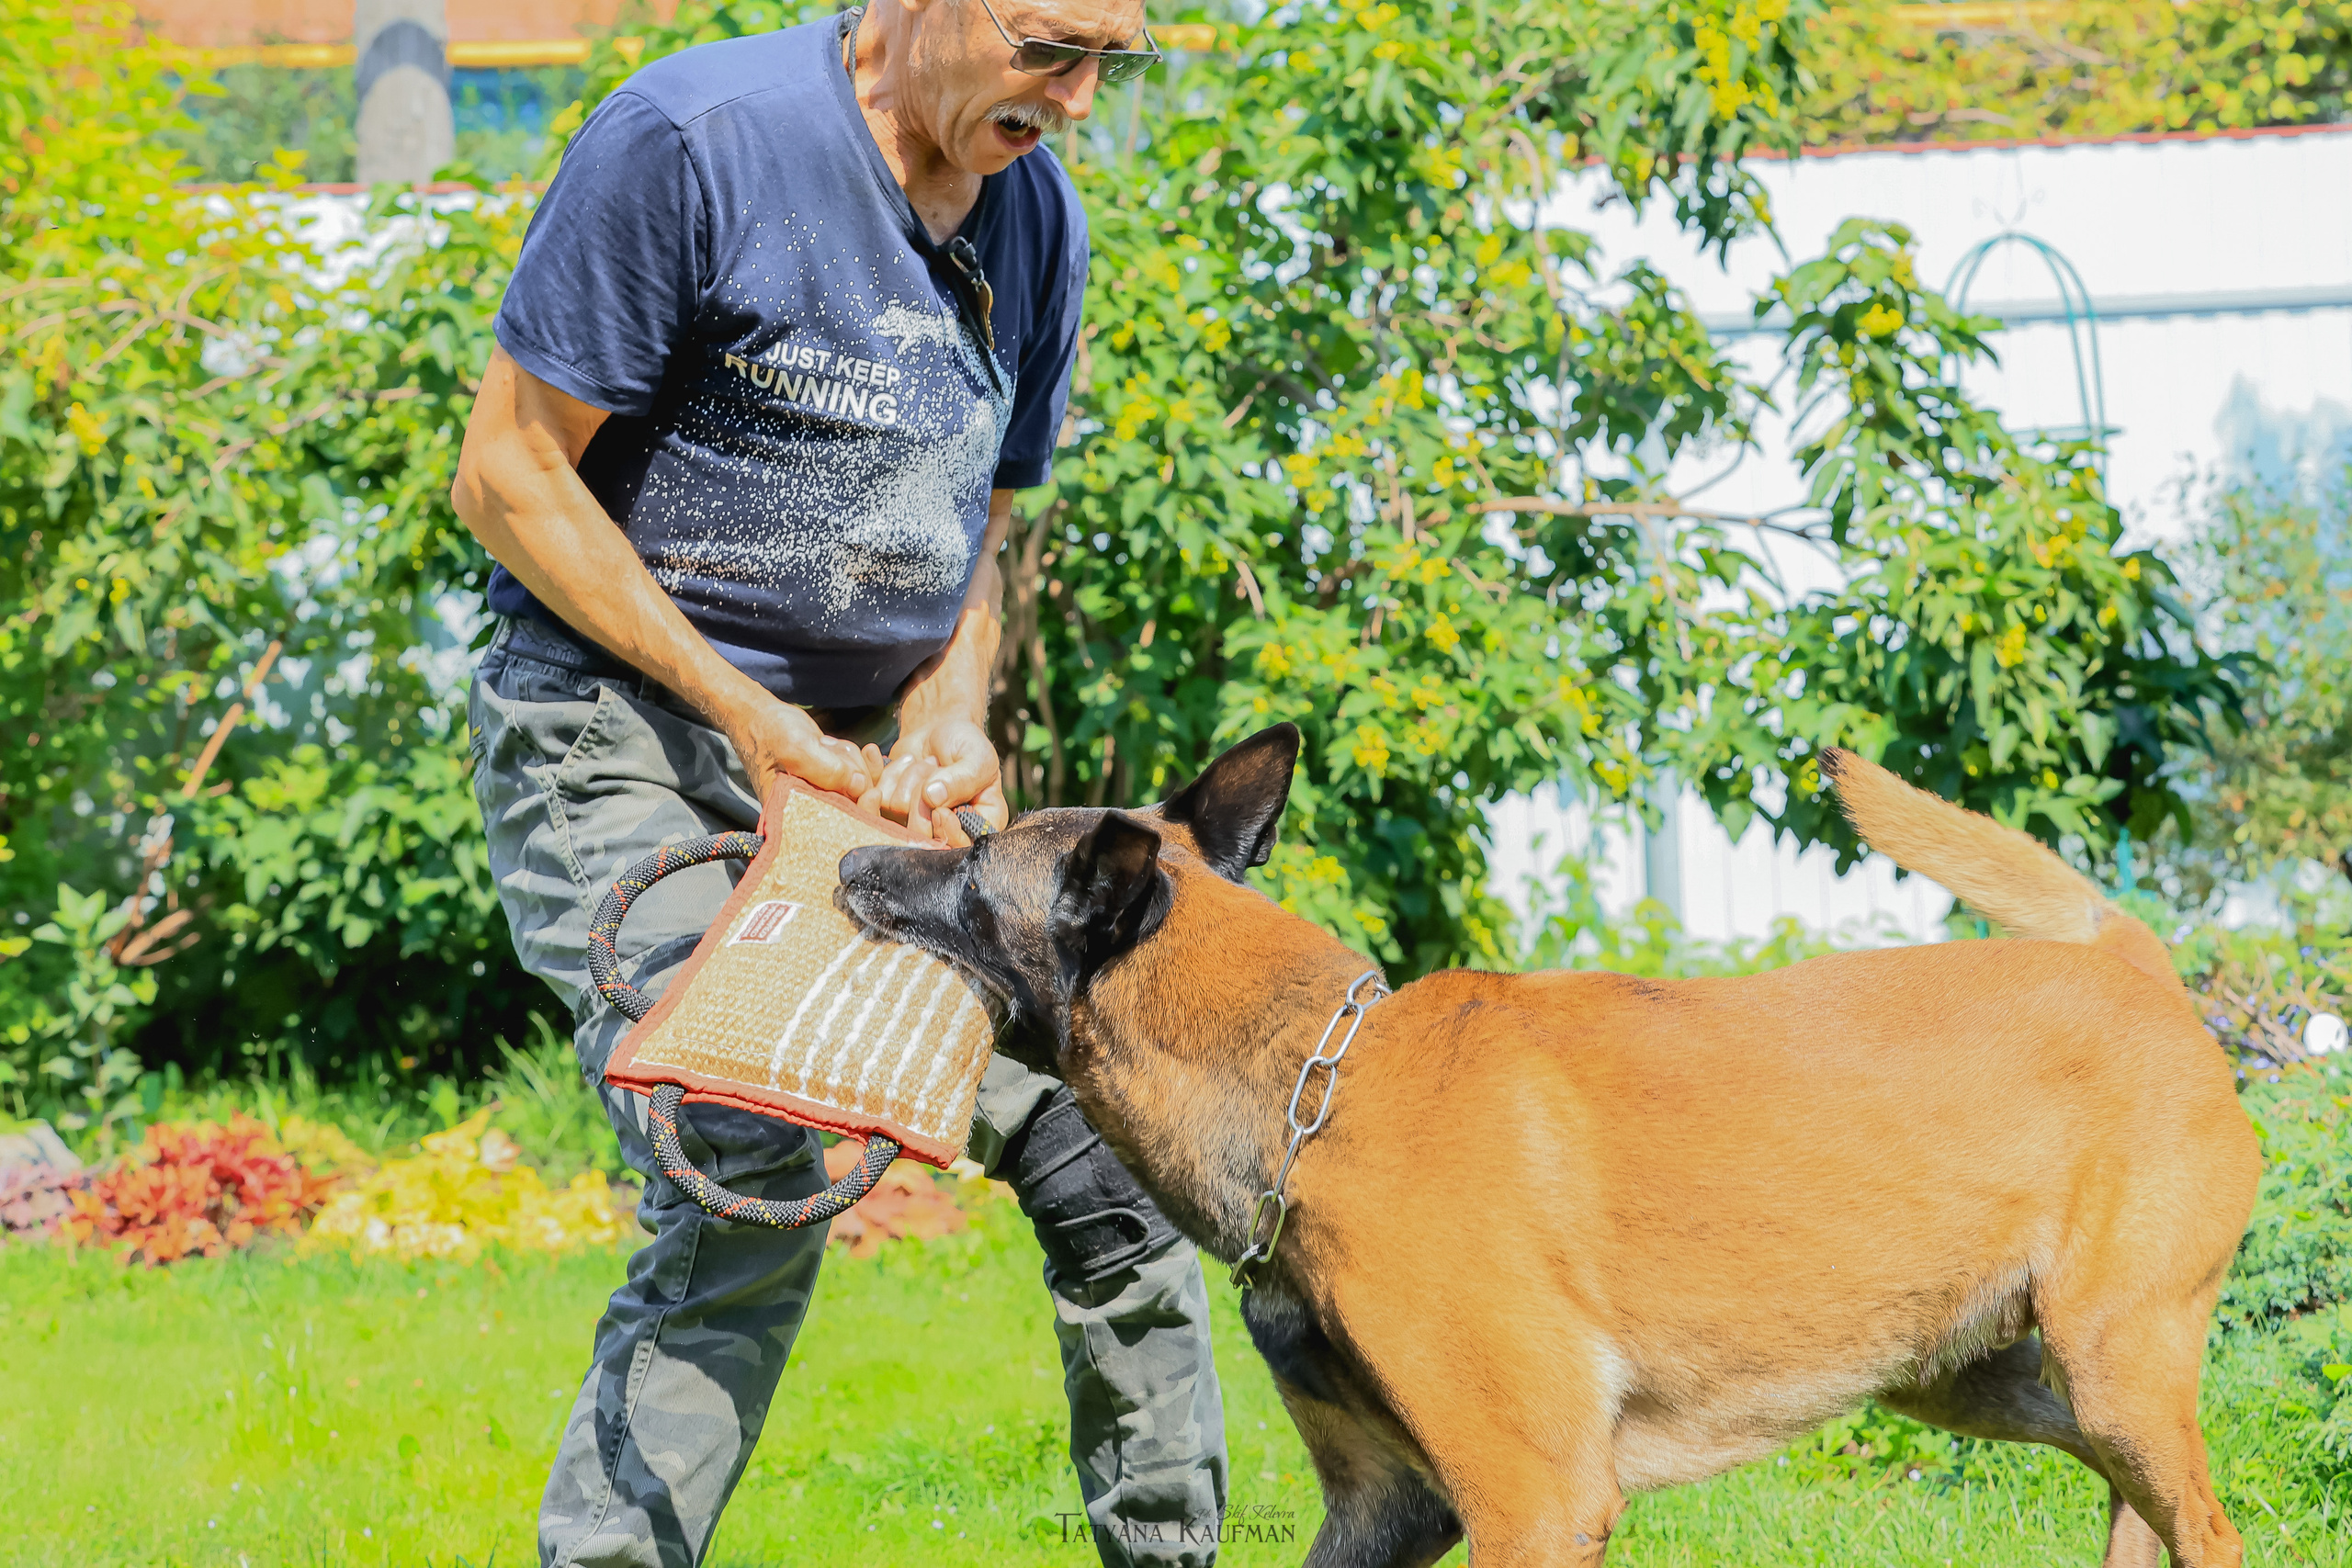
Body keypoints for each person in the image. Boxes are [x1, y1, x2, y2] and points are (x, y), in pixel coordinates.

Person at [449, 4, 1227, 1564]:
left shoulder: (1033, 217)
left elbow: (981, 529)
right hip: (617, 740)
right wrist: (746, 714)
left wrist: (953, 709)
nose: (1073, 100)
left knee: (1109, 1138)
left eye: (1111, 65)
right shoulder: (695, 144)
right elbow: (507, 474)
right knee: (747, 1149)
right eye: (1047, 46)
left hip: (863, 781)